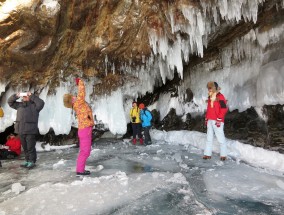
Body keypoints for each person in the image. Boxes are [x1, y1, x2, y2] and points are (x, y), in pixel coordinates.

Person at [8, 92, 44, 169]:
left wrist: (31, 96)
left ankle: (32, 161)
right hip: (20, 130)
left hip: (30, 130)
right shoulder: (19, 105)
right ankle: (27, 160)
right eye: (23, 96)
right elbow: (10, 102)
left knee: (30, 147)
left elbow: (41, 103)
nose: (24, 97)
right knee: (25, 147)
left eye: (26, 96)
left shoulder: (35, 106)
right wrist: (16, 95)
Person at [72, 78, 95, 176]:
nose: (75, 96)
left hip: (84, 128)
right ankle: (80, 170)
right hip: (85, 129)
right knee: (85, 151)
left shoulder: (78, 104)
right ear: (72, 101)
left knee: (84, 151)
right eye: (73, 97)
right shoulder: (78, 103)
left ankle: (80, 169)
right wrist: (80, 82)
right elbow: (82, 92)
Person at [203, 82, 228, 161]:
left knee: (220, 138)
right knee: (209, 138)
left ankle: (223, 155)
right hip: (210, 120)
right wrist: (207, 118)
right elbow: (209, 109)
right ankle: (207, 154)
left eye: (210, 88)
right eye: (208, 88)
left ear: (215, 88)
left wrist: (219, 119)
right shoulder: (210, 97)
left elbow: (224, 109)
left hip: (218, 121)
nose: (209, 89)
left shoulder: (220, 96)